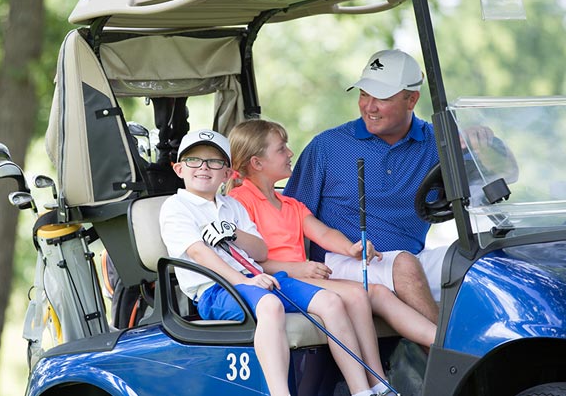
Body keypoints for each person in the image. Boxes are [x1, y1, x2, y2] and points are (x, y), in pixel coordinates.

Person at [160, 129, 391, 396]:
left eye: (215, 162)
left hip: (258, 280)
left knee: (331, 301)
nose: (203, 167)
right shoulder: (176, 207)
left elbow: (259, 251)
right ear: (179, 169)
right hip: (217, 291)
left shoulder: (231, 207)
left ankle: (362, 390)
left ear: (227, 173)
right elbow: (200, 253)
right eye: (194, 161)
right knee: (269, 304)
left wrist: (233, 232)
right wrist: (244, 281)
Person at [227, 119, 436, 349]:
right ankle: (370, 381)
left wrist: (351, 248)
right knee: (357, 295)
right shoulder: (238, 204)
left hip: (301, 277)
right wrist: (298, 269)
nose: (290, 152)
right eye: (281, 149)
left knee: (379, 294)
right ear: (257, 163)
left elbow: (324, 233)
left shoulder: (290, 204)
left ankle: (445, 346)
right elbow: (243, 262)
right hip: (280, 283)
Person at [284, 49, 447, 324]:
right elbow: (288, 217)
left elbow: (503, 172)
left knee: (480, 261)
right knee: (405, 267)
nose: (369, 106)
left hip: (411, 259)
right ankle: (451, 363)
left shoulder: (438, 143)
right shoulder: (327, 147)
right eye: (363, 94)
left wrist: (482, 142)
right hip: (340, 264)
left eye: (381, 98)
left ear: (412, 99)